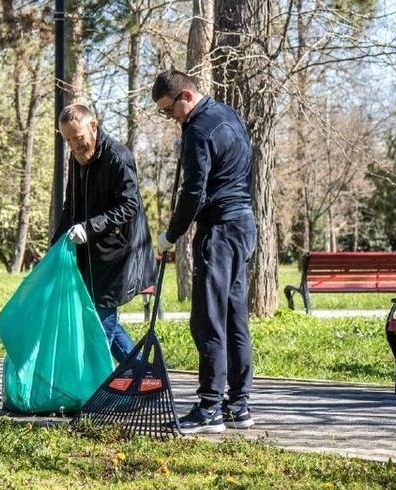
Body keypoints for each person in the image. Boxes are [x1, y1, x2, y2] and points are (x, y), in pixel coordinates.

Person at [151, 70, 258, 434]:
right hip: (244, 224)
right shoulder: (229, 115)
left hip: (221, 229)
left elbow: (193, 193)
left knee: (207, 318)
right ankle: (239, 406)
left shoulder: (198, 131)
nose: (170, 118)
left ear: (186, 95)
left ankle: (210, 407)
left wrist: (171, 235)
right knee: (233, 317)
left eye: (169, 110)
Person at [51, 104, 155, 364]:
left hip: (118, 254)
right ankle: (143, 375)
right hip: (92, 254)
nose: (74, 146)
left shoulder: (118, 157)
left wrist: (89, 227)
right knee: (99, 319)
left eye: (78, 138)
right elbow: (70, 206)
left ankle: (92, 391)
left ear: (94, 127)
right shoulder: (77, 158)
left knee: (98, 325)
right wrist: (54, 247)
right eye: (68, 140)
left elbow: (129, 205)